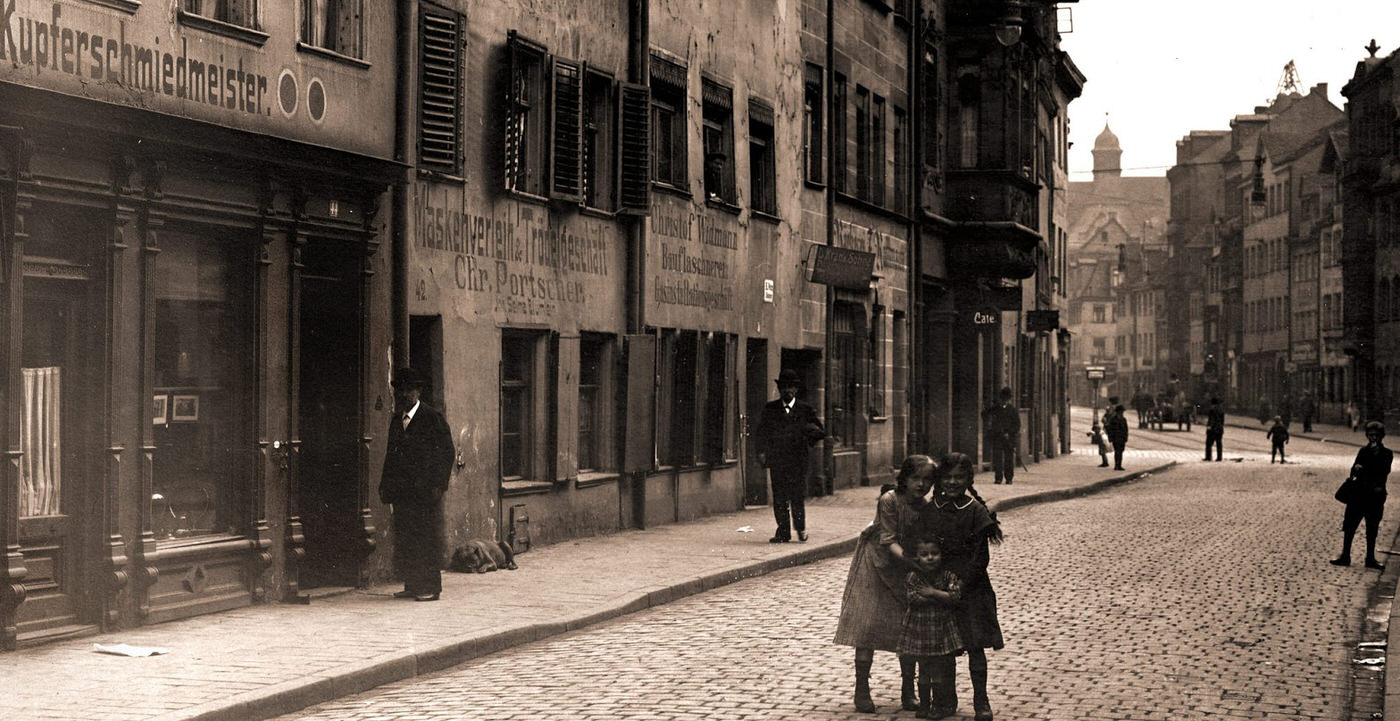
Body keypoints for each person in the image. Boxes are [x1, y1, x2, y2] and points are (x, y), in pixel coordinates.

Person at [834, 455, 936, 714]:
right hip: (875, 565)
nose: (921, 485)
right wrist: (914, 563)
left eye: (927, 480)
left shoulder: (924, 507)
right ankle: (861, 690)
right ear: (904, 479)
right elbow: (888, 539)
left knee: (908, 628)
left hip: (902, 567)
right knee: (866, 625)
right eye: (916, 479)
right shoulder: (889, 500)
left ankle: (908, 691)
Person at [918, 453, 1004, 721]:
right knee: (943, 649)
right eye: (948, 478)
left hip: (971, 587)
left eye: (959, 478)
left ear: (968, 480)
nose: (953, 483)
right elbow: (922, 547)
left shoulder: (975, 510)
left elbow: (981, 557)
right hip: (940, 586)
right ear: (939, 480)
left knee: (975, 645)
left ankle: (981, 701)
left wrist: (962, 583)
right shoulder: (931, 511)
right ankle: (945, 701)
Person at [379, 367, 455, 602]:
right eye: (399, 390)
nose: (403, 394)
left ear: (418, 391)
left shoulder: (432, 418)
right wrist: (385, 485)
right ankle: (412, 584)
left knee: (425, 538)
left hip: (424, 492)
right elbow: (390, 456)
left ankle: (431, 587)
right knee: (406, 537)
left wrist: (437, 486)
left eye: (408, 390)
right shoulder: (396, 421)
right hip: (402, 492)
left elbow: (447, 453)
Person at [896, 536, 964, 719]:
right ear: (916, 557)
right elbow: (913, 598)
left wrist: (932, 593)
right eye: (924, 554)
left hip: (941, 631)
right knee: (924, 669)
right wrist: (941, 598)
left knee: (939, 670)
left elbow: (955, 596)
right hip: (921, 631)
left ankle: (938, 704)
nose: (930, 558)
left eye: (935, 553)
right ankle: (924, 705)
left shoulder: (948, 575)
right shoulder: (913, 576)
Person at [755, 368, 826, 543]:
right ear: (779, 390)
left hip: (798, 461)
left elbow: (820, 431)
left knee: (797, 495)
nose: (787, 391)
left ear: (796, 390)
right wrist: (762, 453)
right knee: (779, 496)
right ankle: (783, 532)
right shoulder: (770, 409)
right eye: (784, 387)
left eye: (791, 388)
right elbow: (761, 433)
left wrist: (806, 437)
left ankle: (800, 529)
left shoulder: (805, 410)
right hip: (777, 460)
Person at [1331, 421, 1393, 569]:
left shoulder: (1387, 454)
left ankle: (1370, 558)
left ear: (1381, 436)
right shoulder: (1363, 451)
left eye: (1376, 435)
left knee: (1372, 528)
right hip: (1358, 495)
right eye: (1370, 435)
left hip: (1375, 497)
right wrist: (1356, 469)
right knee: (1349, 526)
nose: (1373, 438)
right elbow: (1354, 471)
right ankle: (1345, 555)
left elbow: (1383, 471)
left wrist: (1364, 468)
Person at [985, 386, 1019, 485]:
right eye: (1003, 398)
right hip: (998, 437)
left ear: (1009, 399)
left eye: (1006, 399)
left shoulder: (1012, 410)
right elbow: (985, 414)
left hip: (1009, 438)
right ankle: (998, 478)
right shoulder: (995, 409)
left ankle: (1009, 478)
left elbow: (1017, 425)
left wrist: (1010, 433)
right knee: (997, 458)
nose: (1004, 401)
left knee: (1009, 459)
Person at [1104, 403, 1129, 471]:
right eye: (1121, 412)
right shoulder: (1113, 419)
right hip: (1116, 437)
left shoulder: (1124, 419)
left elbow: (1126, 429)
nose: (1122, 413)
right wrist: (1110, 437)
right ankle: (1117, 465)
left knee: (1120, 451)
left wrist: (1126, 437)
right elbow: (1109, 428)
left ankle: (1119, 465)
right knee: (1117, 451)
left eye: (1122, 412)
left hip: (1122, 438)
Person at [1204, 397, 1225, 462]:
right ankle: (1219, 457)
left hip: (1213, 429)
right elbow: (1222, 421)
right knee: (1219, 443)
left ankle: (1208, 457)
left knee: (1208, 443)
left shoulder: (1212, 410)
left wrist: (1209, 427)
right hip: (1220, 429)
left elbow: (1211, 420)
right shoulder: (1221, 410)